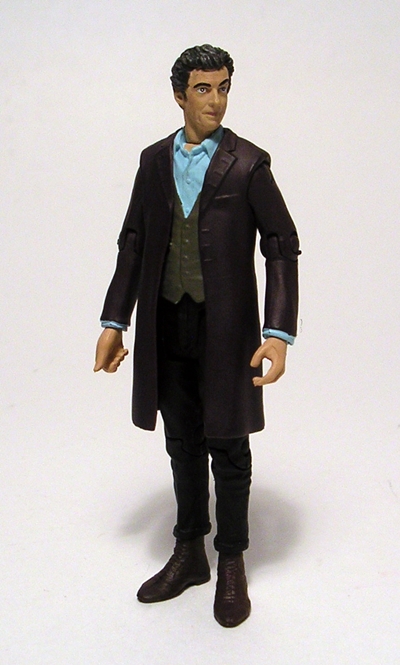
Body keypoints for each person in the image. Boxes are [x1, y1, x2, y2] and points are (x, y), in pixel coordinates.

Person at [94, 44, 300, 628]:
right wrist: (114, 321)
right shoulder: (153, 162)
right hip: (167, 323)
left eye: (224, 87)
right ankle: (189, 550)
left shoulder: (248, 163)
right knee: (181, 439)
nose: (216, 101)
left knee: (228, 444)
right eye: (204, 89)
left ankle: (231, 558)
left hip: (227, 330)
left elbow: (281, 245)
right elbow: (133, 242)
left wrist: (278, 331)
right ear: (179, 95)